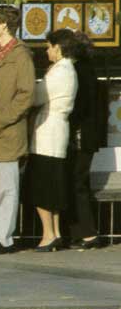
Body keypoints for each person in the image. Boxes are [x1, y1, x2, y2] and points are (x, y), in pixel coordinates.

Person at [0, 5, 35, 254]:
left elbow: (26, 95)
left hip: (8, 130)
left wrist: (2, 119)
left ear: (4, 25)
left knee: (7, 186)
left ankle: (2, 238)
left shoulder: (21, 55)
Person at [26, 29, 78, 252]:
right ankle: (55, 232)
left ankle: (48, 233)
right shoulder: (66, 70)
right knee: (53, 186)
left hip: (48, 132)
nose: (47, 51)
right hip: (55, 132)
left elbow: (37, 96)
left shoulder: (59, 72)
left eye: (48, 47)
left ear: (58, 47)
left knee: (42, 185)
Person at [65, 32, 105, 249]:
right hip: (87, 137)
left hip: (80, 136)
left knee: (77, 183)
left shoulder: (78, 70)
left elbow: (79, 106)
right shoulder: (89, 69)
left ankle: (87, 233)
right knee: (80, 182)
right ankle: (82, 232)